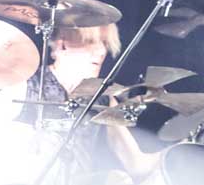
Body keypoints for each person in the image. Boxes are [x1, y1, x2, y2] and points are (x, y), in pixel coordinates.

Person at [11, 23, 161, 184]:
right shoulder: (25, 86)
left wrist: (175, 151)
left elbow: (137, 164)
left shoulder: (102, 98)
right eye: (91, 42)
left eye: (105, 43)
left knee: (119, 179)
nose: (102, 51)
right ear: (62, 45)